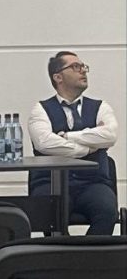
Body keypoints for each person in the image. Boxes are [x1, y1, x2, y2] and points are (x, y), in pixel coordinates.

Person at [27, 51, 119, 234]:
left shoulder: (100, 106)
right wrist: (87, 149)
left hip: (93, 183)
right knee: (51, 213)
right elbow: (44, 143)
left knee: (107, 210)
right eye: (76, 67)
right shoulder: (40, 109)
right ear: (58, 77)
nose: (83, 71)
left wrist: (68, 137)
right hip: (50, 183)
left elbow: (110, 135)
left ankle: (90, 251)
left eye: (83, 67)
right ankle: (61, 251)